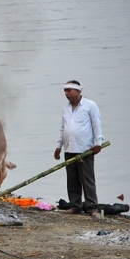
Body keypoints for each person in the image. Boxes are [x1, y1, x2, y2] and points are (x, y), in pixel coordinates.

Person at [54, 80, 104, 217]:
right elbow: (63, 128)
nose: (66, 93)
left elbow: (96, 125)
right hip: (69, 148)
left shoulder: (90, 105)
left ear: (78, 91)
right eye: (65, 91)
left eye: (69, 90)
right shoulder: (66, 108)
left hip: (85, 149)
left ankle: (92, 207)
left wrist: (98, 143)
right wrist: (59, 146)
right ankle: (75, 205)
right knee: (72, 180)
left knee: (87, 180)